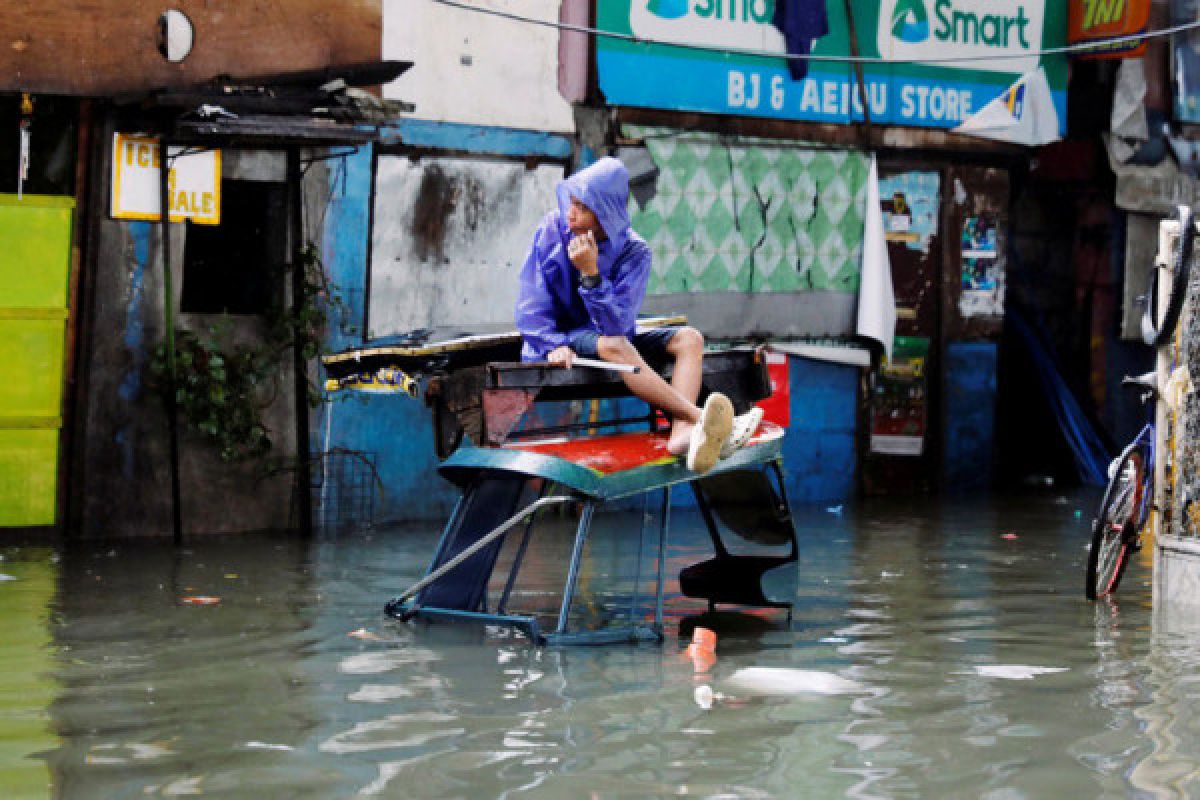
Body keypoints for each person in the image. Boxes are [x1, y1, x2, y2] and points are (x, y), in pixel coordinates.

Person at [514, 156, 761, 473]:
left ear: (604, 213)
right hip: (566, 336)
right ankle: (700, 418)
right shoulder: (552, 230)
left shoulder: (635, 251)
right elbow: (531, 299)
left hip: (612, 334)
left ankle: (682, 433)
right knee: (617, 347)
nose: (570, 213)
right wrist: (550, 344)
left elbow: (617, 324)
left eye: (582, 207)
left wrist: (591, 276)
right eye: (570, 203)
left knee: (689, 339)